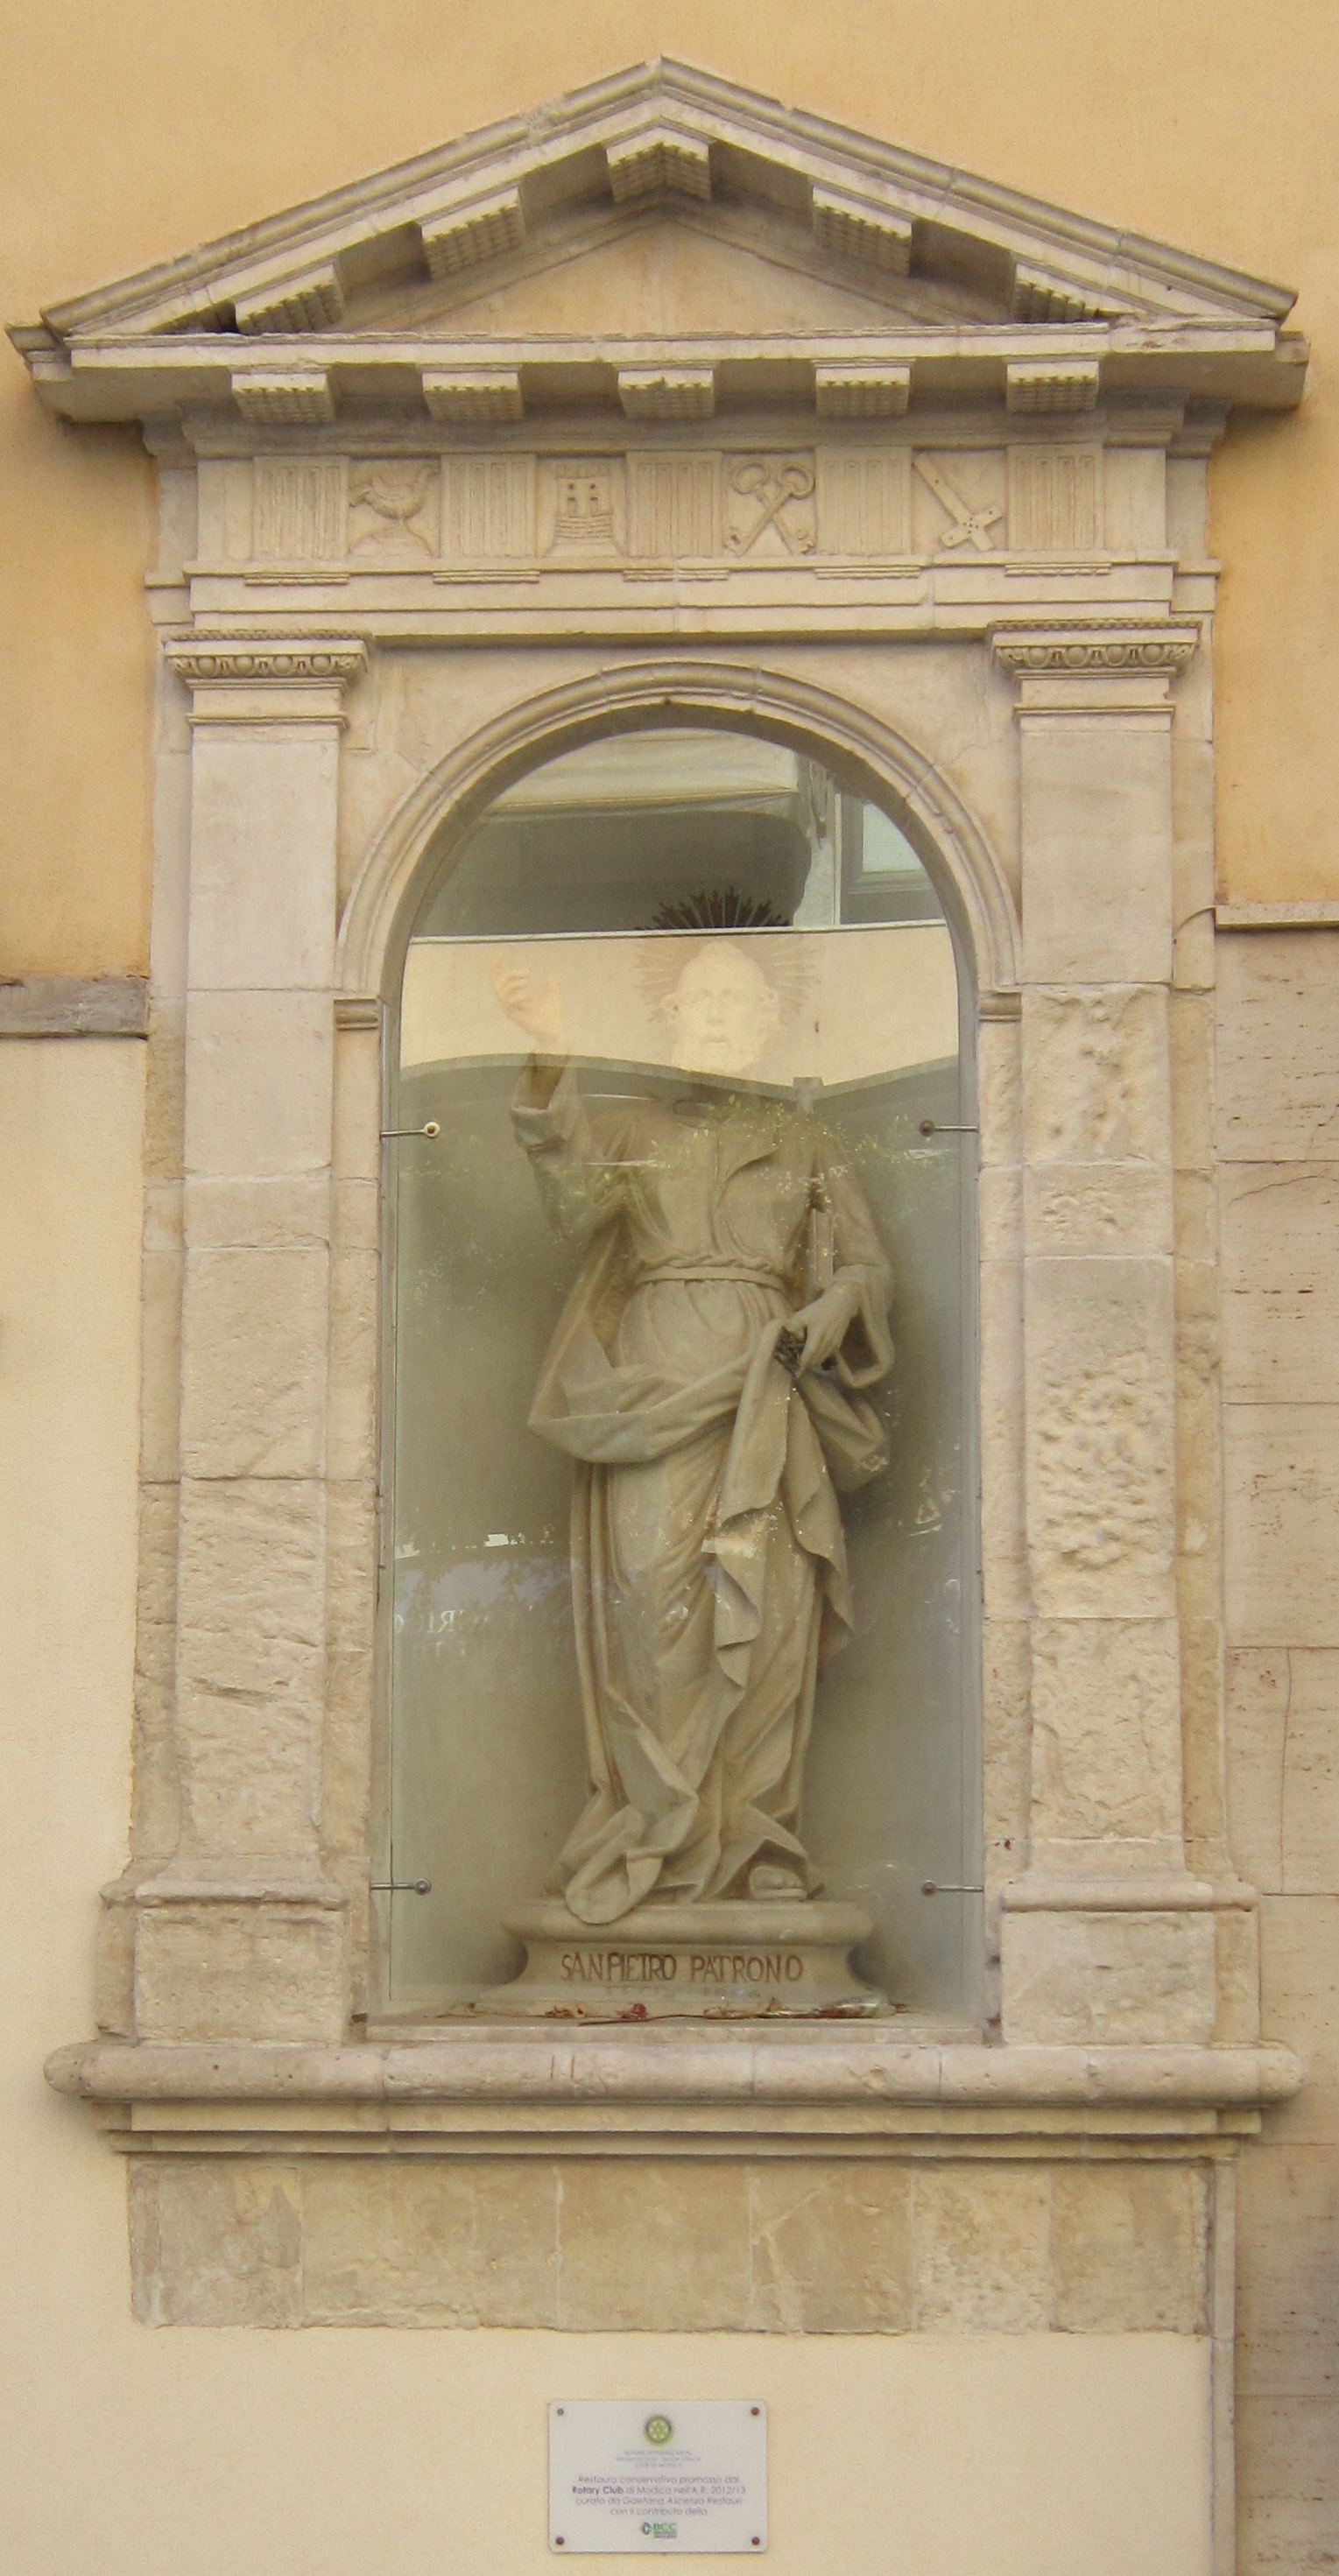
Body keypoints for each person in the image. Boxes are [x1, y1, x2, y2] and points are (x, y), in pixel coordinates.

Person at [492, 939, 892, 1927]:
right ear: (667, 1021)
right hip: (651, 1384)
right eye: (697, 998)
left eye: (734, 998)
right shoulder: (635, 1127)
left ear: (767, 1022)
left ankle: (754, 1838)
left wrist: (827, 1313)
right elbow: (570, 1199)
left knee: (771, 1611)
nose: (714, 1013)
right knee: (648, 1607)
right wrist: (549, 1053)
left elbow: (861, 1265)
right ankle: (652, 1825)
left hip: (769, 1381)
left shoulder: (806, 1140)